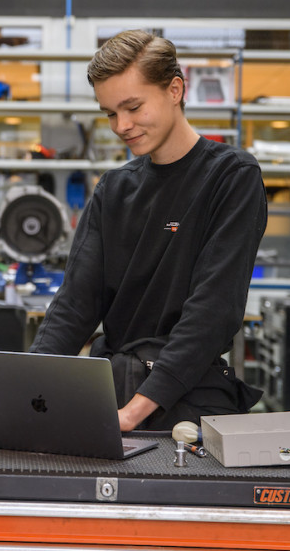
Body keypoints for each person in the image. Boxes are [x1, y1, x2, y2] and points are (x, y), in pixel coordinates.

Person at [29, 30, 267, 432]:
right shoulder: (114, 189)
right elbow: (74, 307)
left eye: (133, 107)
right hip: (111, 388)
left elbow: (212, 312)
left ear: (175, 89)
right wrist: (26, 388)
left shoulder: (231, 177)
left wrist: (132, 414)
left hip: (188, 398)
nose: (122, 125)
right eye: (109, 113)